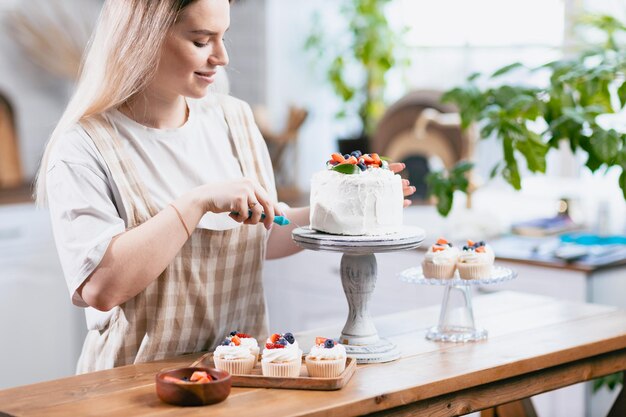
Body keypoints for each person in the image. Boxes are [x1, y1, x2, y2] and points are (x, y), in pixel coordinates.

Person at [36, 0, 416, 373]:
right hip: (134, 389)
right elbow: (102, 288)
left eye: (223, 38)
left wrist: (354, 205)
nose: (221, 57)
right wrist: (196, 202)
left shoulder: (234, 119)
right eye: (202, 41)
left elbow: (265, 232)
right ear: (143, 38)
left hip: (242, 380)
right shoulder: (83, 146)